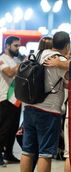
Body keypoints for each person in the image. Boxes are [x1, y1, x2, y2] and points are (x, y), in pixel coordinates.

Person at [20, 31, 70, 172]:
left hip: (29, 107)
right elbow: (69, 82)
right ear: (67, 45)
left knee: (27, 150)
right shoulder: (58, 59)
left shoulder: (37, 54)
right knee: (45, 153)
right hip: (49, 111)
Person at [0, 36, 22, 166]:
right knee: (3, 129)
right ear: (7, 46)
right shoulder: (1, 59)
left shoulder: (15, 60)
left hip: (16, 99)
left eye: (19, 45)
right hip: (4, 98)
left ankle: (9, 153)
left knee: (13, 129)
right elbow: (9, 73)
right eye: (16, 45)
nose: (18, 48)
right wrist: (21, 65)